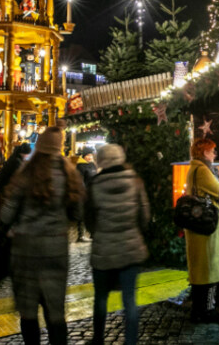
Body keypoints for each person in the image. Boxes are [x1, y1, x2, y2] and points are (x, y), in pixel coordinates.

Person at [2, 126, 84, 345]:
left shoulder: (25, 173)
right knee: (55, 310)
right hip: (56, 249)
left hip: (25, 249)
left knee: (28, 311)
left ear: (39, 145)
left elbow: (6, 214)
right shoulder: (70, 174)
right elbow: (77, 212)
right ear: (60, 147)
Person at [86, 144, 149, 345]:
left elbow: (88, 217)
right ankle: (130, 341)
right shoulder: (135, 181)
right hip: (131, 248)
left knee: (101, 298)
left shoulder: (94, 184)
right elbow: (145, 215)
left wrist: (98, 234)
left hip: (103, 249)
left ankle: (98, 339)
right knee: (129, 300)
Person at [184, 138, 219, 323]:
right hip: (206, 230)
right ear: (205, 152)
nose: (215, 154)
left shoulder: (195, 168)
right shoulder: (203, 170)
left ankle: (198, 311)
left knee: (200, 272)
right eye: (212, 151)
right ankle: (208, 311)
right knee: (209, 272)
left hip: (197, 228)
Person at [76, 149, 98, 242]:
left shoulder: (93, 165)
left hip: (93, 192)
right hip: (84, 193)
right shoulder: (80, 166)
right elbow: (79, 180)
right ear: (84, 156)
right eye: (88, 155)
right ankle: (80, 235)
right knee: (82, 214)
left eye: (91, 155)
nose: (90, 157)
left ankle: (93, 234)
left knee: (93, 213)